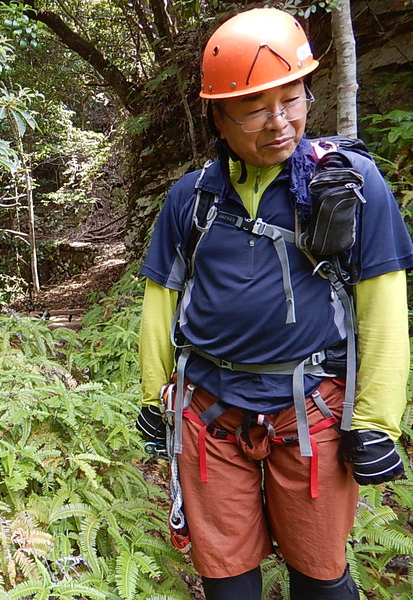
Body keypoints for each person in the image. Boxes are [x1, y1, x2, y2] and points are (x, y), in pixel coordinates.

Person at [135, 8, 412, 600]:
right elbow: (161, 298)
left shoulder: (348, 186)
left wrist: (376, 423)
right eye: (257, 108)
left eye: (293, 99)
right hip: (208, 411)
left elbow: (383, 302)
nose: (281, 122)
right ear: (218, 115)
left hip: (311, 408)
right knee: (227, 581)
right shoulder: (191, 199)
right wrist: (153, 393)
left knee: (320, 574)